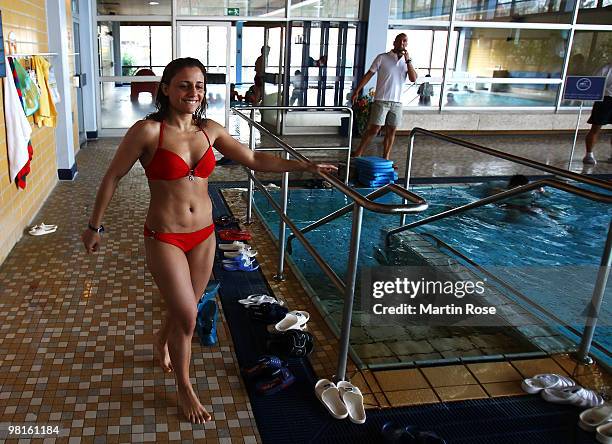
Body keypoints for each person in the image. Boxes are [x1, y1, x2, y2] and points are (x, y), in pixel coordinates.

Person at [81, 57, 337, 424]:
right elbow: (111, 177)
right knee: (187, 314)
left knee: (190, 304)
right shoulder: (147, 132)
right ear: (166, 89)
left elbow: (252, 158)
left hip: (203, 236)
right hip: (164, 237)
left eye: (199, 86)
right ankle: (184, 387)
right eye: (184, 85)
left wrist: (304, 166)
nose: (193, 92)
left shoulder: (210, 131)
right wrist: (95, 227)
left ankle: (161, 340)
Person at [351, 33, 418, 160]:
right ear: (394, 42)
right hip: (381, 100)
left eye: (405, 41)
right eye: (400, 41)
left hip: (397, 102)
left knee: (392, 130)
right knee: (374, 129)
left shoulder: (406, 61)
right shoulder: (382, 57)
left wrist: (408, 60)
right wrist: (357, 91)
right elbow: (369, 74)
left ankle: (386, 157)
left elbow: (413, 78)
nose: (402, 43)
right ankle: (359, 152)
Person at [583, 62, 612, 165]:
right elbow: (593, 82)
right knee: (595, 128)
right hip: (605, 100)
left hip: (604, 100)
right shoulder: (606, 68)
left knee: (595, 128)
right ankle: (589, 154)